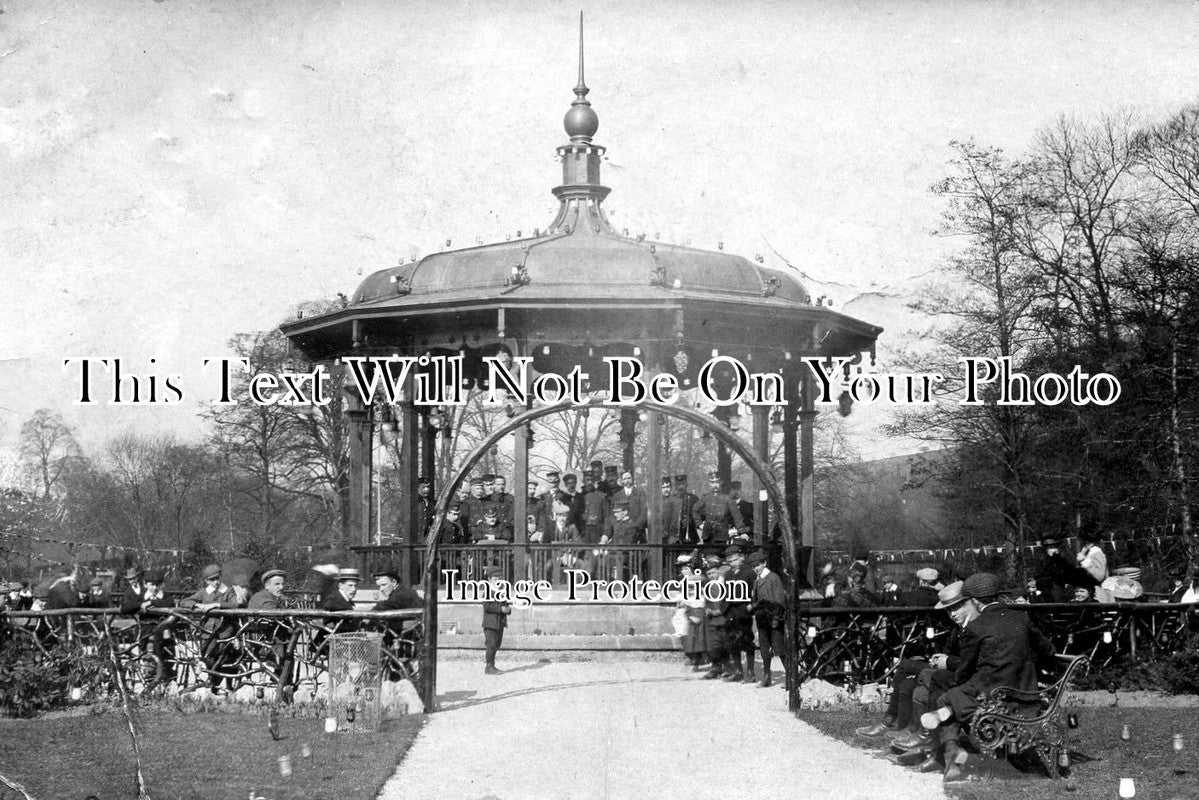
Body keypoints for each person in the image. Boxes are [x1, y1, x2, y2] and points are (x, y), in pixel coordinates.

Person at [920, 572, 1057, 782]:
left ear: (974, 601)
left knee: (949, 695)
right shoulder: (1022, 617)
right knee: (952, 695)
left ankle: (950, 749)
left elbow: (963, 673)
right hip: (1027, 695)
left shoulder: (976, 627)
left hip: (993, 699)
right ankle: (948, 736)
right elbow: (1048, 651)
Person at [859, 580, 969, 741]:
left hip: (954, 674)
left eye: (955, 608)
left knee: (905, 665)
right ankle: (903, 727)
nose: (952, 614)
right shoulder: (958, 626)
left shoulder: (972, 627)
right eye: (949, 609)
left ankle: (889, 720)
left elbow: (968, 662)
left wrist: (947, 661)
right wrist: (941, 658)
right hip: (949, 669)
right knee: (907, 683)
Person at [179, 564, 242, 689]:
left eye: (218, 578)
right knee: (208, 658)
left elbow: (235, 604)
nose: (216, 582)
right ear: (207, 581)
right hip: (207, 631)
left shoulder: (228, 591)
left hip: (225, 631)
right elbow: (185, 601)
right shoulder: (204, 592)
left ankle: (217, 684)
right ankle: (212, 683)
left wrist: (215, 605)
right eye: (212, 580)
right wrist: (197, 606)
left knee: (223, 658)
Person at [748, 550, 786, 687]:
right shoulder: (756, 581)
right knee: (764, 649)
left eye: (758, 565)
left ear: (764, 563)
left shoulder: (773, 578)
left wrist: (777, 617)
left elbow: (780, 599)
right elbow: (755, 599)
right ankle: (767, 677)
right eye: (753, 567)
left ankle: (790, 677)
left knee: (779, 647)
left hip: (773, 618)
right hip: (761, 619)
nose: (756, 568)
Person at [722, 545, 757, 683]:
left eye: (735, 559)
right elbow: (725, 593)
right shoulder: (728, 575)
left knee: (747, 640)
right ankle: (738, 670)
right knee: (732, 641)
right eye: (730, 561)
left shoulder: (749, 573)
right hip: (731, 612)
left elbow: (756, 591)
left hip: (743, 611)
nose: (733, 563)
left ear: (742, 558)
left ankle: (750, 672)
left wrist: (751, 605)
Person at [693, 471, 743, 546]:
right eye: (712, 483)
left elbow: (737, 516)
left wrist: (741, 532)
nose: (715, 485)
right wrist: (699, 524)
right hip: (707, 535)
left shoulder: (728, 498)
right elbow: (695, 509)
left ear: (721, 482)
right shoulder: (706, 497)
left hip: (721, 536)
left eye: (717, 482)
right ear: (709, 484)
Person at [482, 567, 511, 674]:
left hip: (500, 623)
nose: (498, 581)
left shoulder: (501, 591)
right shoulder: (488, 591)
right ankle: (489, 667)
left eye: (499, 579)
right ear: (489, 580)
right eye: (495, 579)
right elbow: (487, 606)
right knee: (491, 644)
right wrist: (501, 609)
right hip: (490, 623)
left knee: (497, 644)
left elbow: (505, 604)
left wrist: (508, 609)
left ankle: (491, 665)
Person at [581, 473, 611, 544]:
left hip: (598, 532)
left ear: (595, 481)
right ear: (583, 481)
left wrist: (606, 534)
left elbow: (607, 516)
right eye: (587, 480)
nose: (590, 482)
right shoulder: (579, 497)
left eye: (592, 480)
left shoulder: (602, 496)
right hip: (583, 533)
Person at [673, 475, 700, 544]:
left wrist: (690, 520)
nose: (681, 487)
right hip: (675, 538)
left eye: (683, 484)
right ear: (675, 486)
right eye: (679, 484)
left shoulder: (694, 499)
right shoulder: (672, 500)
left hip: (691, 537)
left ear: (686, 485)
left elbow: (700, 517)